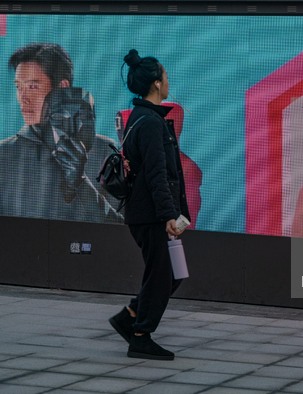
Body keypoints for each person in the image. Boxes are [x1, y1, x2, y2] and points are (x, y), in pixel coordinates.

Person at [108, 49, 191, 361]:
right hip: (151, 214)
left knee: (172, 275)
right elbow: (157, 175)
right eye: (166, 75)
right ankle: (140, 335)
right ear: (156, 84)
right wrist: (169, 215)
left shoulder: (143, 119)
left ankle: (130, 315)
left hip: (146, 212)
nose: (168, 81)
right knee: (161, 276)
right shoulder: (150, 123)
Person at [0, 43, 122, 222]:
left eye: (32, 86)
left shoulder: (104, 151)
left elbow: (121, 231)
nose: (22, 98)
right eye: (19, 87)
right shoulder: (4, 154)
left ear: (62, 87)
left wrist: (81, 184)